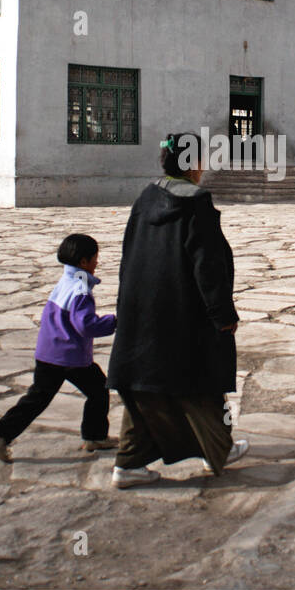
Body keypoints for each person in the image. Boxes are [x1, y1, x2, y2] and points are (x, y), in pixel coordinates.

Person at [106, 131, 248, 489]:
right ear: (193, 165)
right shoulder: (196, 203)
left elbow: (128, 258)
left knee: (145, 388)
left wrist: (126, 307)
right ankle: (218, 449)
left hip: (143, 313)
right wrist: (223, 315)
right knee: (201, 383)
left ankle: (129, 463)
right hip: (183, 317)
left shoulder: (145, 198)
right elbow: (209, 267)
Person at [0, 233, 117, 462]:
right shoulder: (81, 290)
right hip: (68, 357)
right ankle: (94, 436)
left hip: (48, 351)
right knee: (97, 391)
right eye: (95, 258)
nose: (97, 263)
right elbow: (85, 325)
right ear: (84, 262)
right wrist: (114, 321)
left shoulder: (68, 279)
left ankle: (0, 433)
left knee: (39, 398)